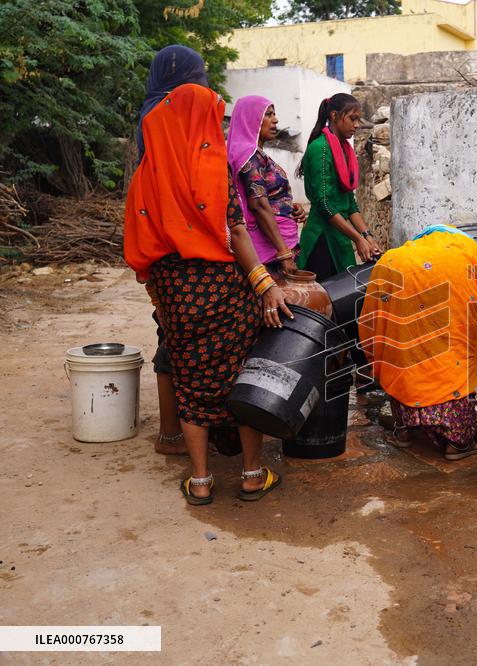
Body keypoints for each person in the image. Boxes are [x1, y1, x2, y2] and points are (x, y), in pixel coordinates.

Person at [125, 46, 291, 506]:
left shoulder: (149, 171)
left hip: (175, 292)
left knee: (191, 379)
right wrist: (265, 284)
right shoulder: (212, 165)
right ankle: (253, 473)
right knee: (242, 377)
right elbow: (236, 229)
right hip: (223, 287)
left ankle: (199, 480)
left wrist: (162, 295)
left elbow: (143, 235)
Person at [358, 225, 477, 460]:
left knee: (401, 351)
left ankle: (403, 431)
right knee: (456, 361)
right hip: (450, 353)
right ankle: (457, 443)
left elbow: (372, 321)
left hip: (405, 362)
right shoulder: (468, 250)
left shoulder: (392, 258)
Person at [134, 44, 210, 457]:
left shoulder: (151, 114)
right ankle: (171, 434)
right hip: (174, 245)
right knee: (177, 338)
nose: (202, 86)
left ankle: (174, 431)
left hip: (160, 243)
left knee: (172, 332)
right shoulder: (165, 118)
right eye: (197, 77)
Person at [296, 93, 380, 280]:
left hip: (339, 235)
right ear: (334, 116)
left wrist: (367, 236)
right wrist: (358, 239)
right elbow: (325, 204)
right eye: (352, 118)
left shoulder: (343, 150)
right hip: (322, 238)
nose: (357, 125)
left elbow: (349, 203)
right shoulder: (320, 149)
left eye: (358, 120)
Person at [227, 96, 308, 275]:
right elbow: (258, 205)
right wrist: (284, 253)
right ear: (250, 119)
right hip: (269, 250)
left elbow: (268, 198)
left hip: (277, 243)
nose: (276, 120)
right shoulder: (248, 155)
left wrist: (288, 207)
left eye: (274, 114)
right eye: (268, 114)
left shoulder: (257, 154)